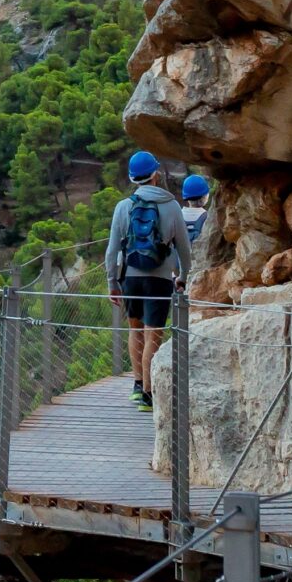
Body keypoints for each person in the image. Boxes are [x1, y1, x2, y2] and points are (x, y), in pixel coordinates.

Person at [104, 151, 191, 412]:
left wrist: (112, 283)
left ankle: (137, 384)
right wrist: (183, 277)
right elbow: (184, 249)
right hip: (160, 279)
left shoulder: (123, 207)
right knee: (154, 332)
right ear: (155, 174)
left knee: (135, 330)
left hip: (130, 277)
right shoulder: (172, 206)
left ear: (133, 178)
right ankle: (148, 394)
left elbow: (111, 251)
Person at [179, 174, 214, 271]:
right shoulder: (208, 217)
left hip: (179, 270)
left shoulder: (177, 216)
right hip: (198, 269)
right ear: (205, 196)